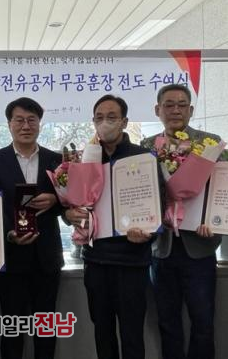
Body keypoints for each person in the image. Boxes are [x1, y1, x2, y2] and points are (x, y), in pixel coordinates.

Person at [65, 94, 160, 359]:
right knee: (102, 331)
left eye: (111, 117)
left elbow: (159, 206)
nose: (105, 122)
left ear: (124, 122)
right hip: (96, 261)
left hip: (132, 261)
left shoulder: (144, 158)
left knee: (132, 334)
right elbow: (72, 204)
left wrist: (149, 233)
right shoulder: (84, 160)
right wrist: (69, 215)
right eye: (99, 118)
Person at [141, 84, 221, 359]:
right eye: (169, 105)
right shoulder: (145, 147)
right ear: (157, 110)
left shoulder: (209, 143)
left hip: (199, 245)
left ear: (191, 110)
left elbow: (221, 188)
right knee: (167, 322)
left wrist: (215, 220)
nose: (175, 110)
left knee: (203, 322)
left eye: (182, 104)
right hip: (161, 248)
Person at [0, 97, 63, 359]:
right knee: (12, 329)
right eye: (19, 120)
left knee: (46, 327)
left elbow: (70, 202)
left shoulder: (56, 160)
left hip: (47, 257)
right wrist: (9, 233)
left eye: (31, 120)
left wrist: (56, 200)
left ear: (40, 124)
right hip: (11, 257)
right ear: (9, 124)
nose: (25, 126)